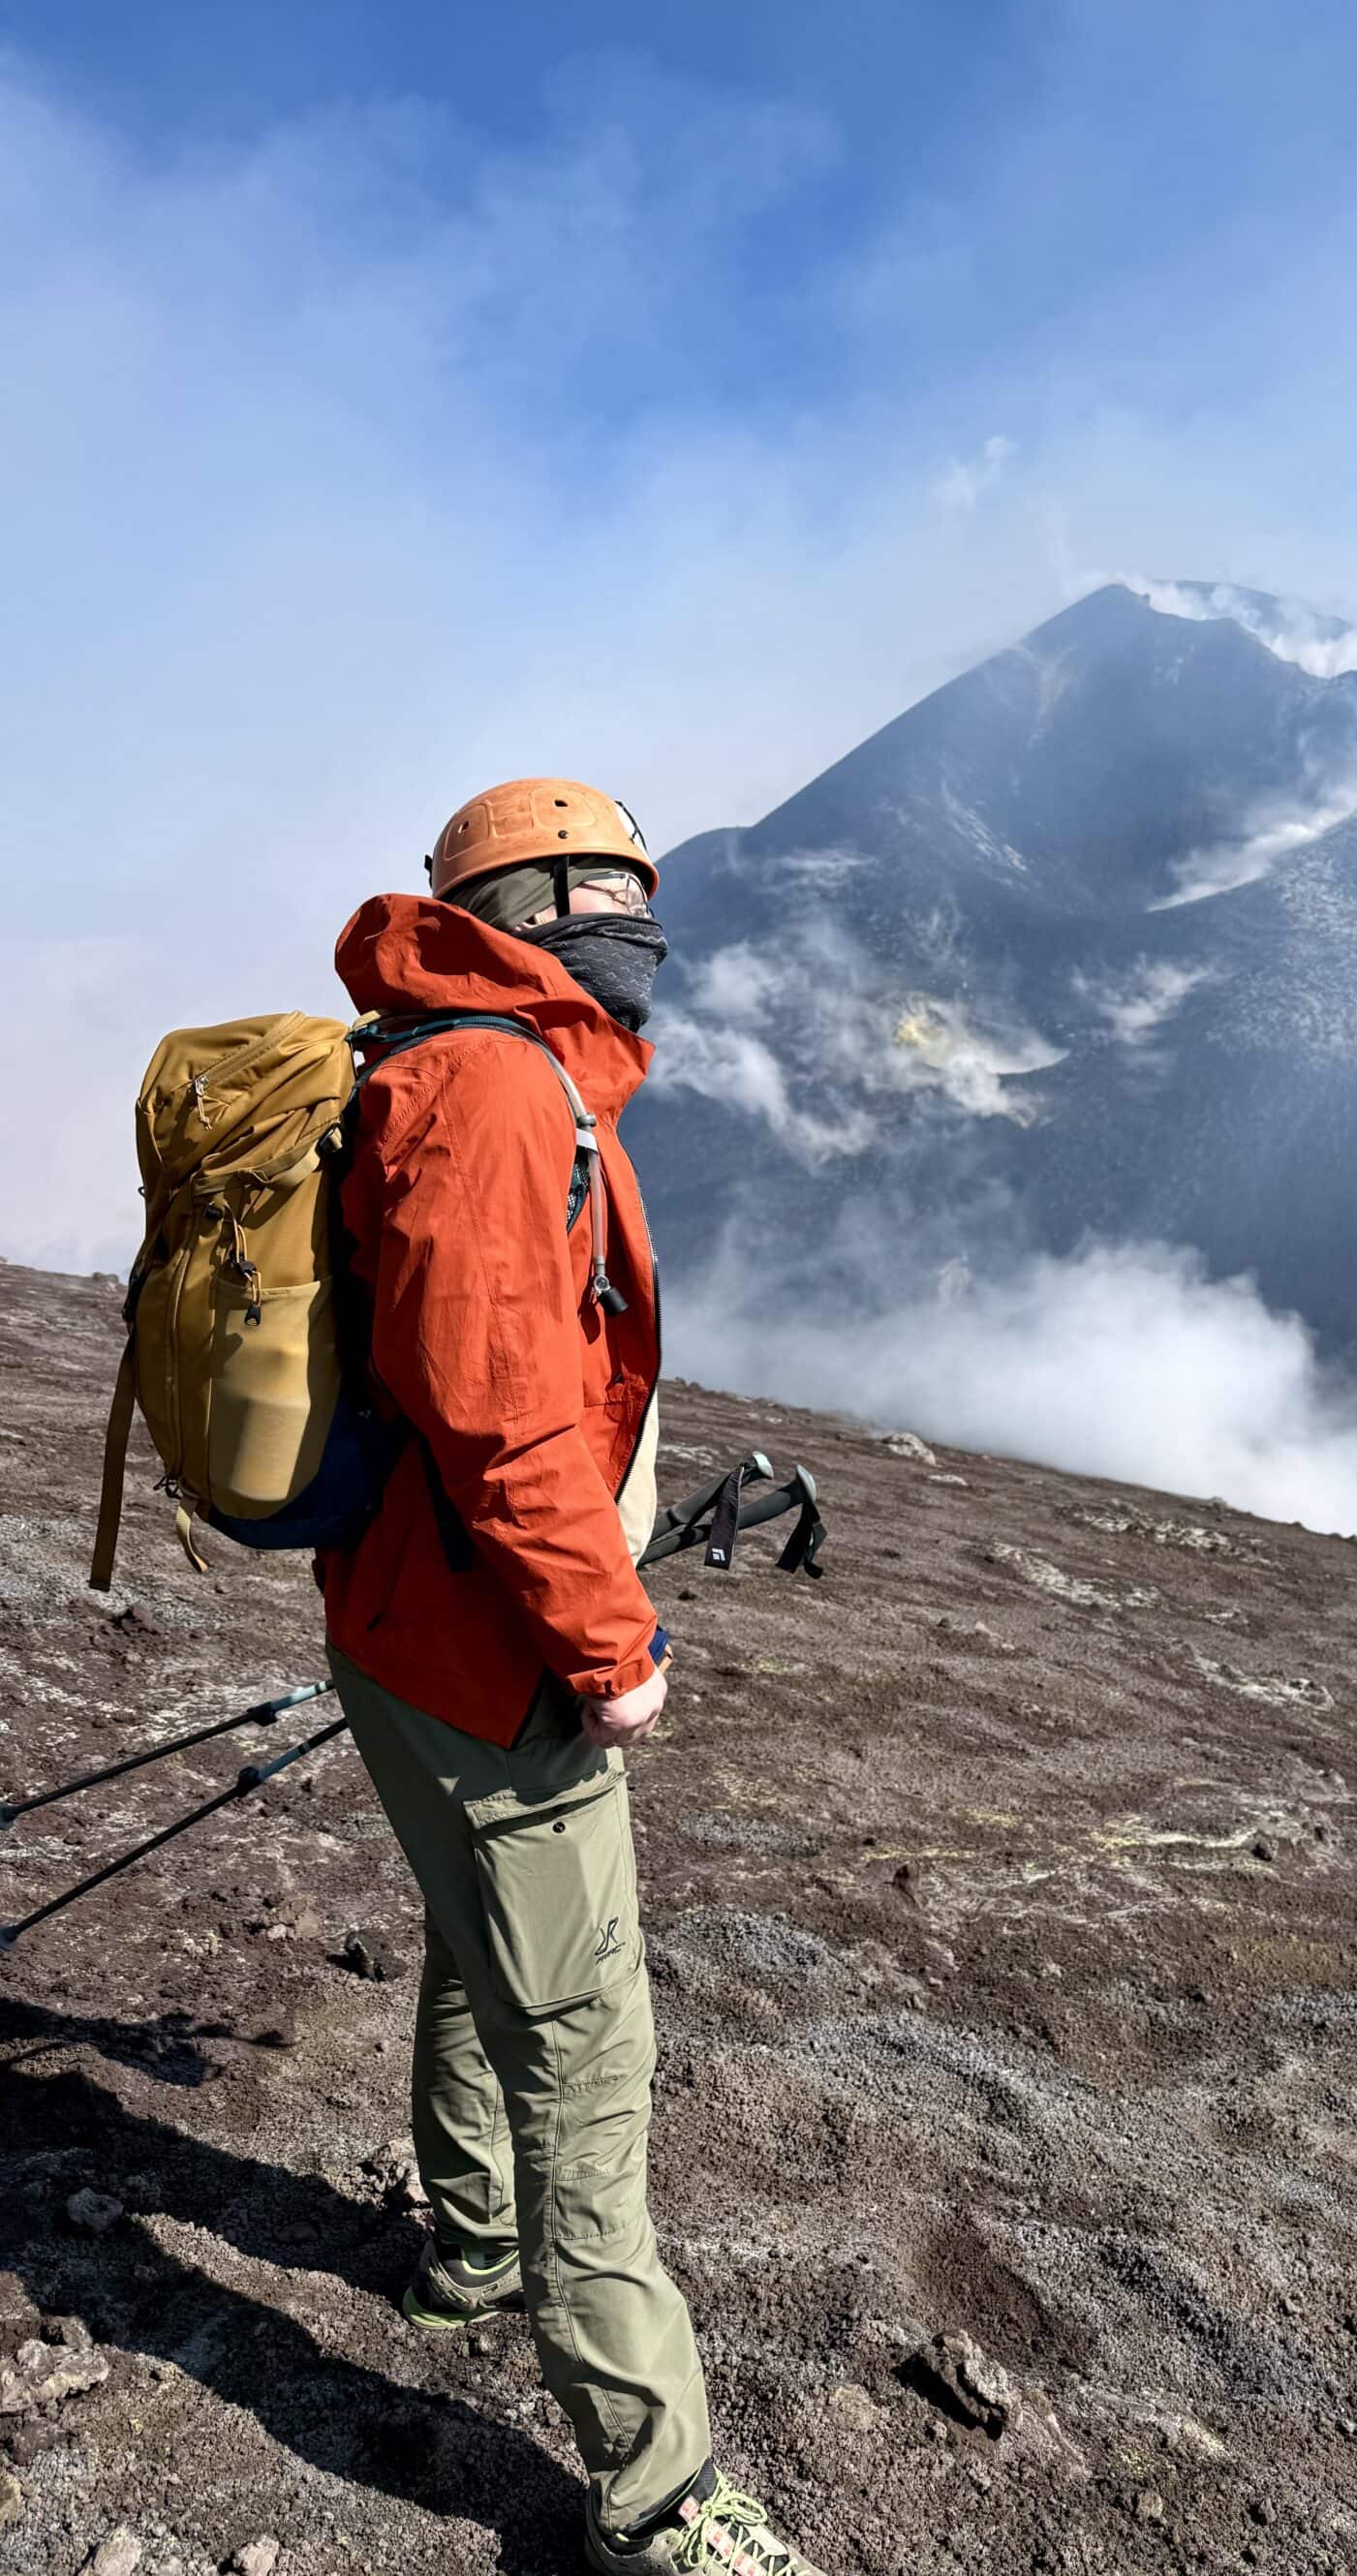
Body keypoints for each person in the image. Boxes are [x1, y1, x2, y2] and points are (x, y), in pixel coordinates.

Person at [323, 779, 825, 2575]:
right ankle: (657, 2498)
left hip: (416, 1623)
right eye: (607, 893)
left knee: (480, 1945)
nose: (643, 925)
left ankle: (467, 2254)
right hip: (490, 1651)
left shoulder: (471, 1060)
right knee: (589, 2051)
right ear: (520, 906)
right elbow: (497, 1409)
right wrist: (610, 1650)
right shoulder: (494, 1086)